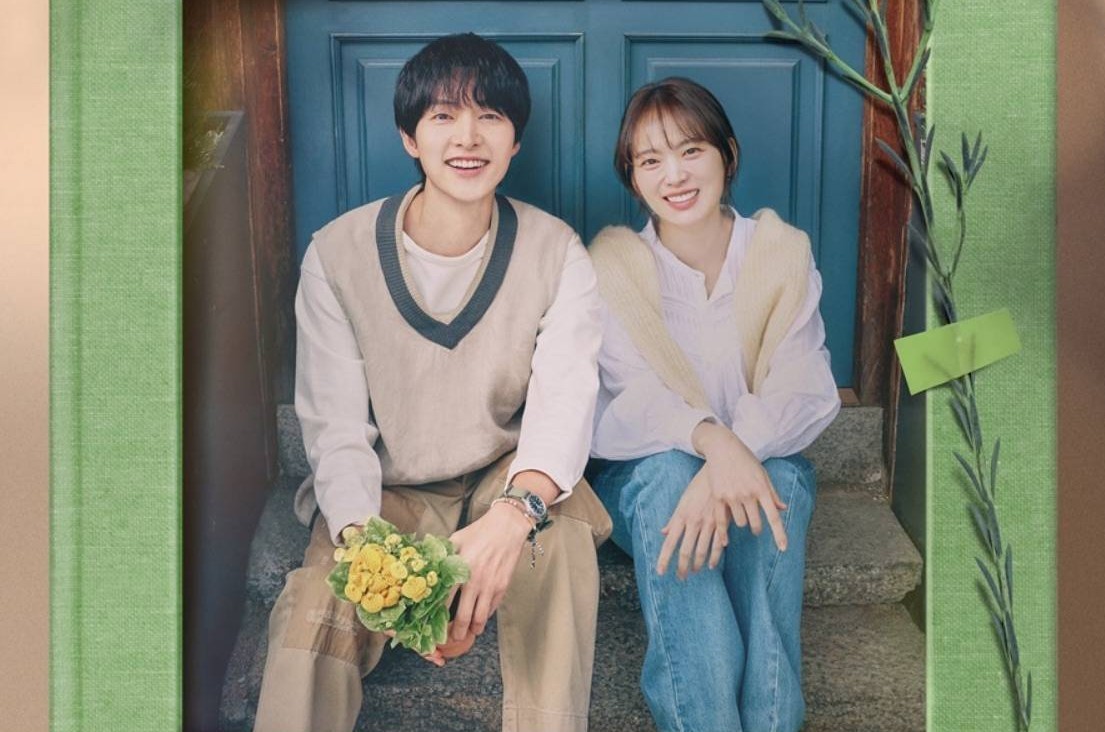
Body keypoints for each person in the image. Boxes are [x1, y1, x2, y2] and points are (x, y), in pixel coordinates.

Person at [254, 33, 611, 732]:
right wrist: (375, 559)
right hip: (390, 488)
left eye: (490, 117)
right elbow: (336, 431)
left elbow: (566, 402)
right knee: (317, 611)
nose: (467, 138)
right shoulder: (337, 254)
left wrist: (514, 517)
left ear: (515, 140)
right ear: (409, 137)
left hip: (504, 472)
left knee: (560, 537)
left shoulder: (556, 250)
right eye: (443, 116)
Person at [586, 77, 841, 732]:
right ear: (632, 177)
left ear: (727, 154)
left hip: (759, 464)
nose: (673, 175)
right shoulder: (613, 267)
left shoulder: (780, 254)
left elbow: (803, 386)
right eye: (649, 160)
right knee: (672, 478)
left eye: (690, 150)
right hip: (644, 482)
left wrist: (731, 459)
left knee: (776, 481)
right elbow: (631, 399)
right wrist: (713, 444)